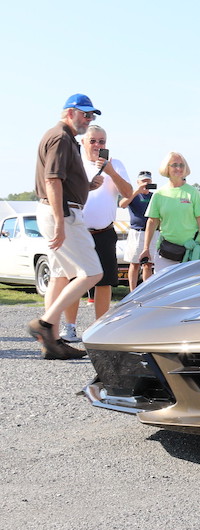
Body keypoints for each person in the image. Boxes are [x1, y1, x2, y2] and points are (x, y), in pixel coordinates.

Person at [27, 94, 104, 359]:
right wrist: (61, 222)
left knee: (60, 277)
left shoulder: (62, 137)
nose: (89, 119)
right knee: (92, 273)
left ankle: (52, 343)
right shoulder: (61, 137)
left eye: (91, 115)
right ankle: (45, 324)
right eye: (85, 114)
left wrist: (86, 186)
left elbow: (60, 179)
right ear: (70, 112)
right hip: (62, 213)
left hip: (57, 209)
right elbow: (52, 180)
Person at [56, 125, 134, 342]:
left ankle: (99, 328)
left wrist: (111, 173)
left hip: (104, 231)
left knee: (104, 282)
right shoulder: (75, 163)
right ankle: (69, 327)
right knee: (74, 279)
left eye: (102, 142)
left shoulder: (115, 164)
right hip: (77, 230)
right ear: (83, 142)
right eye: (93, 141)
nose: (98, 146)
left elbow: (128, 194)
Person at [138, 152, 200, 277]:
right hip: (166, 252)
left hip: (191, 251)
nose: (178, 168)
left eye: (181, 165)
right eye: (174, 165)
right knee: (163, 290)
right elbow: (152, 222)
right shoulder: (159, 194)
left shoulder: (193, 192)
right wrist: (146, 248)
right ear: (167, 168)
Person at [119, 170, 157, 291]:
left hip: (152, 232)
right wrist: (136, 191)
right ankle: (132, 291)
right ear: (138, 182)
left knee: (148, 264)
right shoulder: (133, 195)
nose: (146, 183)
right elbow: (122, 204)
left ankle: (146, 291)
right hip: (137, 232)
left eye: (148, 181)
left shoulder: (154, 196)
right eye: (143, 181)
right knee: (134, 263)